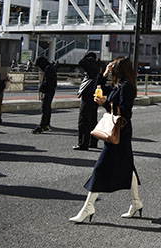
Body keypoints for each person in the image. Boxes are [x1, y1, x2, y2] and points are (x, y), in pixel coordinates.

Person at [69, 57, 142, 223]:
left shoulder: (127, 87)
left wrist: (105, 103)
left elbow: (125, 112)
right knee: (127, 166)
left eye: (114, 68)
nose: (112, 71)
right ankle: (136, 202)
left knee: (100, 168)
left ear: (120, 70)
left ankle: (88, 206)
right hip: (117, 130)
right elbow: (97, 89)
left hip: (120, 131)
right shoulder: (118, 85)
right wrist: (104, 74)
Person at [74, 52, 101, 151]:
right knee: (93, 120)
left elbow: (81, 62)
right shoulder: (98, 67)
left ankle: (83, 143)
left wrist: (88, 59)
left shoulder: (92, 68)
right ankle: (93, 142)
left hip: (88, 96)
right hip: (94, 96)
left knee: (84, 120)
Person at [32, 56, 57, 134]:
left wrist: (42, 88)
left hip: (48, 91)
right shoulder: (50, 67)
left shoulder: (48, 69)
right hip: (50, 90)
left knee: (45, 108)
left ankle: (42, 125)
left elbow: (48, 81)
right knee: (47, 108)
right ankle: (46, 124)